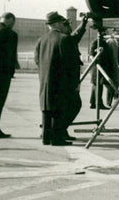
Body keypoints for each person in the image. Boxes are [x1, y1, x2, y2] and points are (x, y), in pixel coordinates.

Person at [34, 12, 89, 145]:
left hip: (45, 80)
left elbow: (37, 60)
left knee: (47, 109)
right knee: (64, 107)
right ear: (58, 23)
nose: (67, 27)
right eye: (65, 24)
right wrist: (75, 83)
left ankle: (46, 137)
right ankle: (57, 138)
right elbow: (72, 64)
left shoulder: (41, 40)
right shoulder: (65, 39)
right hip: (61, 82)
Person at [89, 32, 116, 109]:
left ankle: (92, 103)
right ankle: (98, 103)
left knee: (96, 85)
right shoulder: (96, 42)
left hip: (101, 66)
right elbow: (91, 54)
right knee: (98, 85)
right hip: (98, 66)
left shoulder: (103, 42)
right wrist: (96, 54)